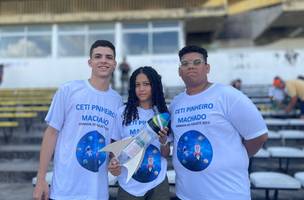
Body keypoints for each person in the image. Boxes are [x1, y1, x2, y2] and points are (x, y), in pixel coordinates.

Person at [169, 45, 268, 200]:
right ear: (179, 71)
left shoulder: (228, 96)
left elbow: (258, 136)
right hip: (186, 194)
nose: (191, 67)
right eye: (185, 64)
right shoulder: (176, 103)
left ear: (207, 68)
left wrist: (237, 156)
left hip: (226, 193)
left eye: (197, 62)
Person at [33, 40, 123, 200]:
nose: (103, 60)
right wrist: (41, 179)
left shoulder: (116, 101)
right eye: (98, 56)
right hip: (65, 190)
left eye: (109, 57)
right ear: (90, 62)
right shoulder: (68, 90)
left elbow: (112, 145)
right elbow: (51, 134)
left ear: (114, 63)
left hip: (97, 192)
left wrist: (114, 162)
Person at [108, 66, 171, 200]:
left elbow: (165, 154)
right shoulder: (123, 113)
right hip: (128, 185)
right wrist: (114, 162)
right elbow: (114, 146)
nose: (141, 89)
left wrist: (163, 140)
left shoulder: (161, 114)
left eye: (146, 84)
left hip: (157, 183)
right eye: (137, 85)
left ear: (154, 86)